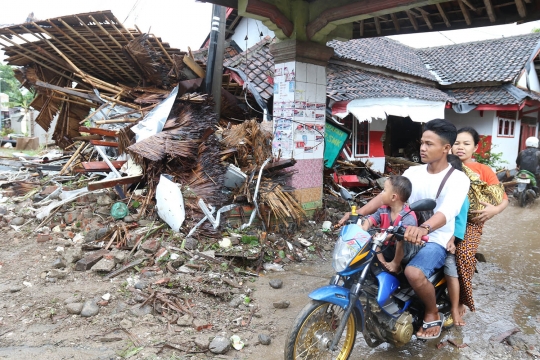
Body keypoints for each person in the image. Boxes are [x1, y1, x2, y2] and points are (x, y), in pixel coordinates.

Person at [357, 119, 470, 340]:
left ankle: (431, 311)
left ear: (446, 148)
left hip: (434, 239)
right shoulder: (413, 172)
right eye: (422, 142)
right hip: (402, 233)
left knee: (413, 273)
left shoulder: (458, 179)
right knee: (364, 252)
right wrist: (358, 214)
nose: (422, 148)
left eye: (429, 144)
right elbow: (386, 196)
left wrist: (424, 228)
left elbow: (447, 212)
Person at [452, 127, 508, 322]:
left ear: (475, 148)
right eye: (457, 143)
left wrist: (494, 210)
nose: (460, 147)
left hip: (470, 223)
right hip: (445, 219)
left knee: (464, 256)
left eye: (466, 144)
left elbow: (502, 198)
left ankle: (460, 300)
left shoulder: (483, 170)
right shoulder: (444, 165)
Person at [360, 175, 417, 274]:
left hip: (404, 251)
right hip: (386, 246)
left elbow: (402, 235)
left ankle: (396, 264)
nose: (381, 194)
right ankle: (383, 264)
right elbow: (372, 219)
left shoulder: (408, 216)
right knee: (371, 237)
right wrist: (364, 227)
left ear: (393, 197)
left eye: (384, 191)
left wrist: (384, 236)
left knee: (400, 237)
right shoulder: (384, 209)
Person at [444, 154, 470, 327]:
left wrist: (452, 240)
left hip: (450, 239)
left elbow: (460, 222)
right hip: (431, 234)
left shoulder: (461, 195)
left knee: (450, 268)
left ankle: (454, 307)